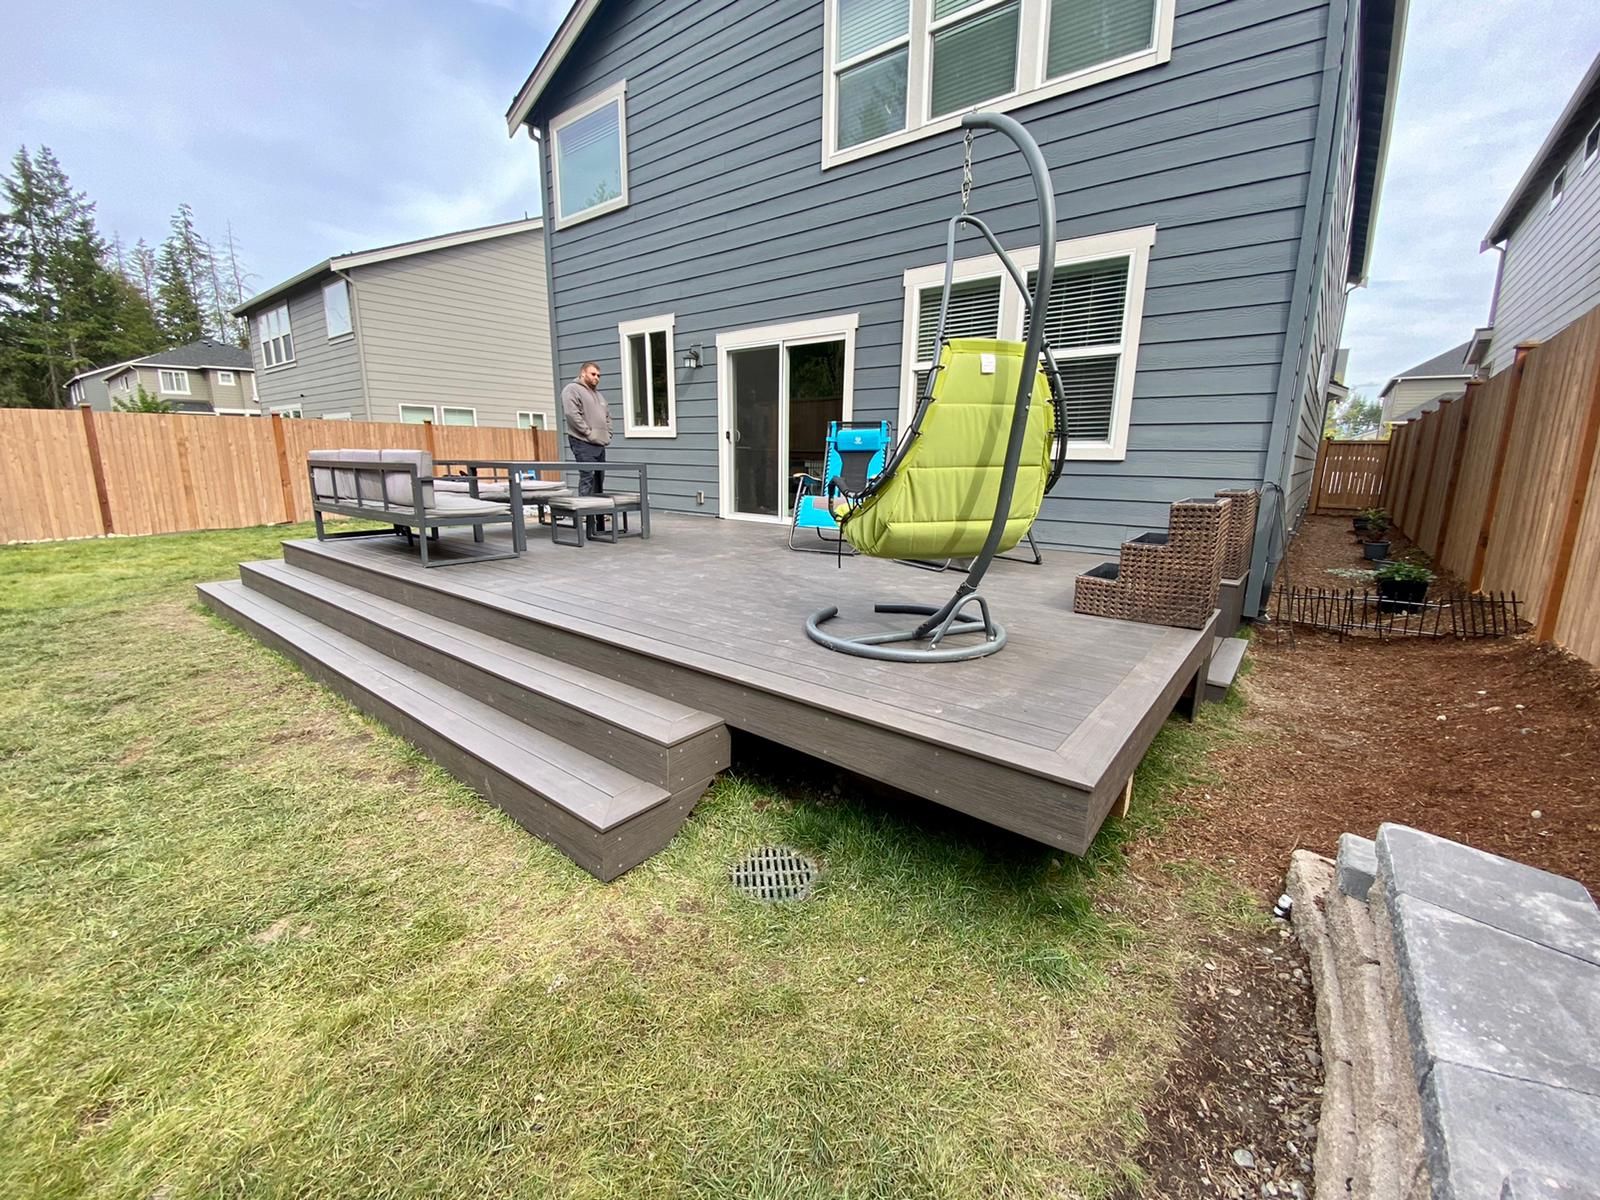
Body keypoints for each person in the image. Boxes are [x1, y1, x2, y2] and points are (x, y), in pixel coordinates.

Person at [561, 361, 612, 529]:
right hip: (582, 442)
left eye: (598, 375)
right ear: (583, 373)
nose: (596, 378)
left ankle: (598, 520)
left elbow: (608, 417)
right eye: (593, 374)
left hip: (600, 443)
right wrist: (589, 433)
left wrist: (607, 434)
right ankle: (586, 519)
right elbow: (571, 414)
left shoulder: (599, 396)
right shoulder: (572, 389)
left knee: (599, 479)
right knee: (587, 477)